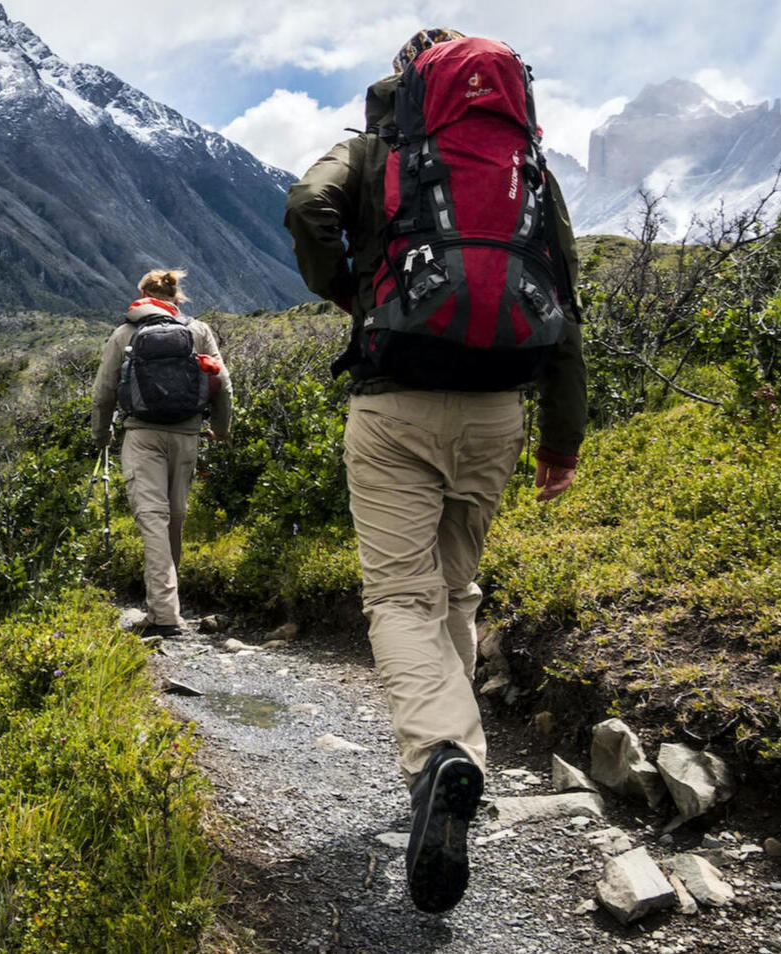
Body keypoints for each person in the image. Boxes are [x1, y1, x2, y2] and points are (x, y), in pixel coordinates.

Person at [284, 29, 586, 913]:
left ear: (407, 83)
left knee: (398, 598)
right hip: (497, 409)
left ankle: (439, 759)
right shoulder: (525, 169)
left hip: (395, 402)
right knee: (455, 590)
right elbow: (564, 301)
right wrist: (560, 444)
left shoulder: (378, 151)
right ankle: (456, 763)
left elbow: (307, 206)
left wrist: (346, 288)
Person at [91, 269, 232, 638]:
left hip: (142, 435)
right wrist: (221, 428)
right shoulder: (198, 331)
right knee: (175, 518)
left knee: (152, 518)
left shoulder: (125, 333)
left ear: (141, 295)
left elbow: (103, 392)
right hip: (186, 435)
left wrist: (102, 433)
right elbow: (223, 383)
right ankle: (168, 605)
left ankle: (165, 615)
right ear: (176, 297)